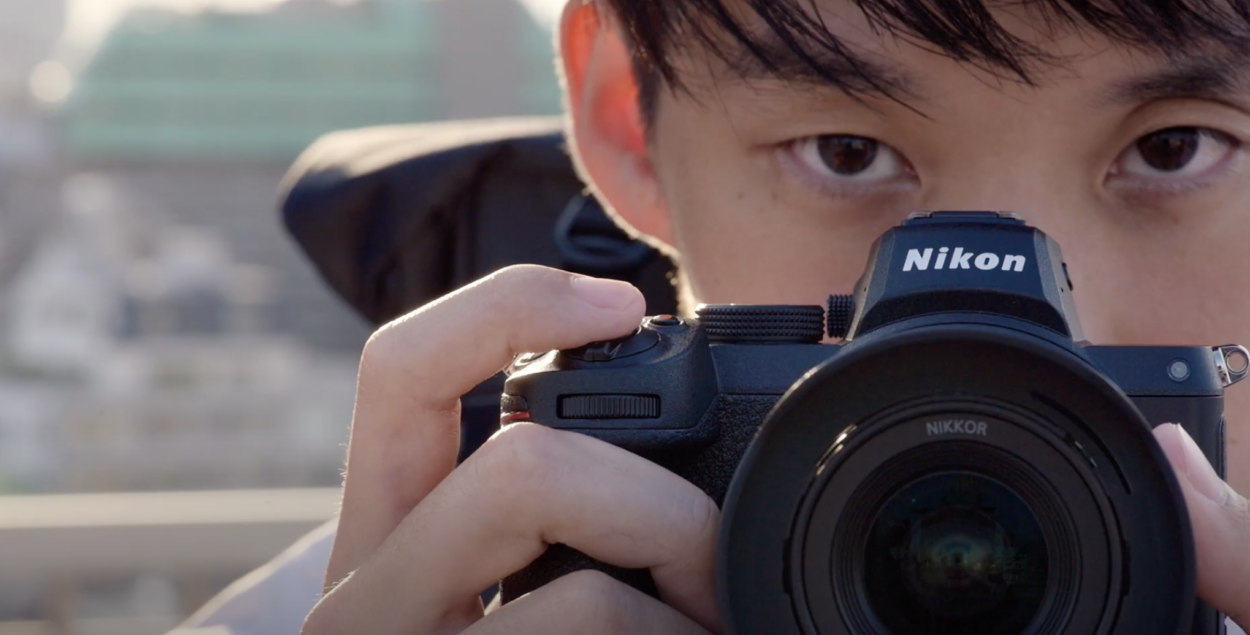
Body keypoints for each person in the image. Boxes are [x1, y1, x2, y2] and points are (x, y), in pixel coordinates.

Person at [170, 0, 1250, 632]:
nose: (1005, 349)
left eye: (1173, 148)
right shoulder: (352, 612)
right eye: (846, 152)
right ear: (627, 119)